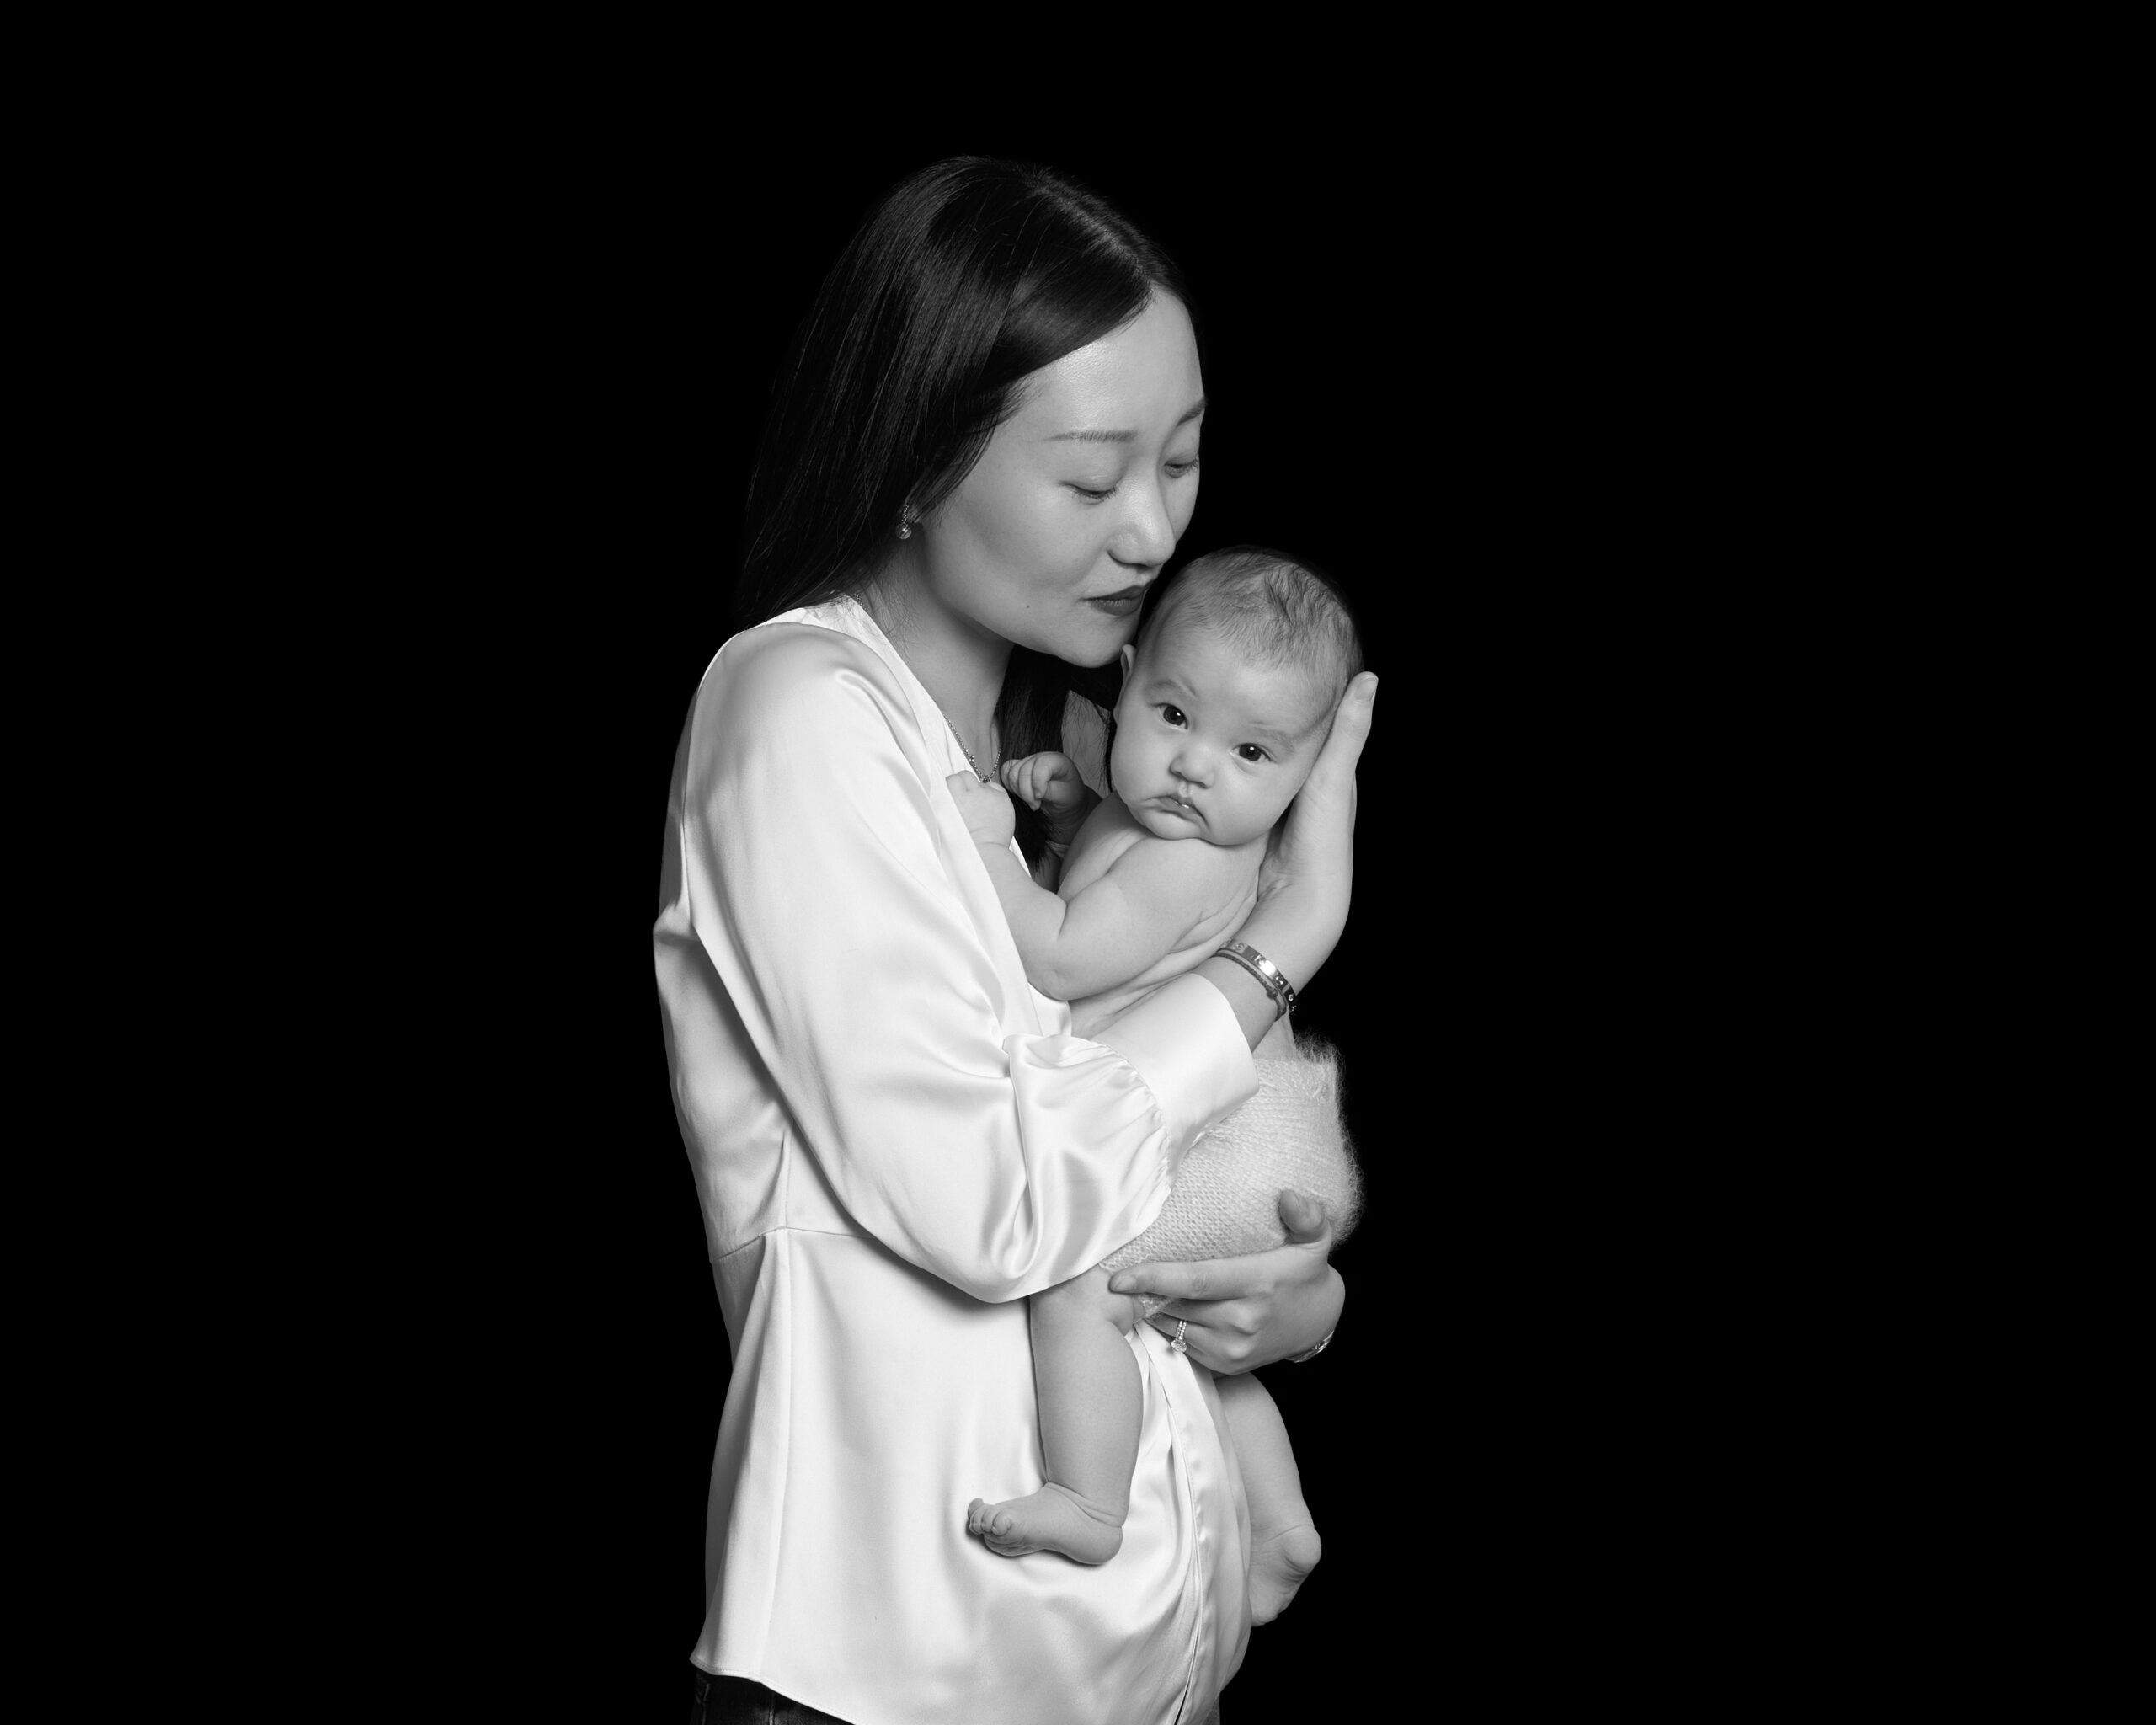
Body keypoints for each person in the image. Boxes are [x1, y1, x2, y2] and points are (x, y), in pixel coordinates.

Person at [656, 157, 1376, 1725]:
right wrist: (1277, 951)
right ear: (915, 462)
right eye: (1092, 473)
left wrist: (1267, 1296)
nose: (1150, 529)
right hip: (892, 1683)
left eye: (1179, 463)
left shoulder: (1084, 748)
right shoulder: (798, 718)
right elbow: (991, 1204)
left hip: (1132, 1677)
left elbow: (1128, 1191)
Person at [948, 547, 1363, 1633]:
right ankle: (1276, 1524)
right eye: (1173, 715)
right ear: (1126, 685)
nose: (1194, 769)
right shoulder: (1148, 823)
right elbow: (1105, 872)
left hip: (1215, 1136)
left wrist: (993, 847)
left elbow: (1067, 958)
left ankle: (1091, 1500)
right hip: (1257, 1125)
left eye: (1252, 751)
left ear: (1307, 780)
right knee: (1189, 1336)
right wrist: (1061, 817)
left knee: (1086, 1286)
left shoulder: (1192, 861)